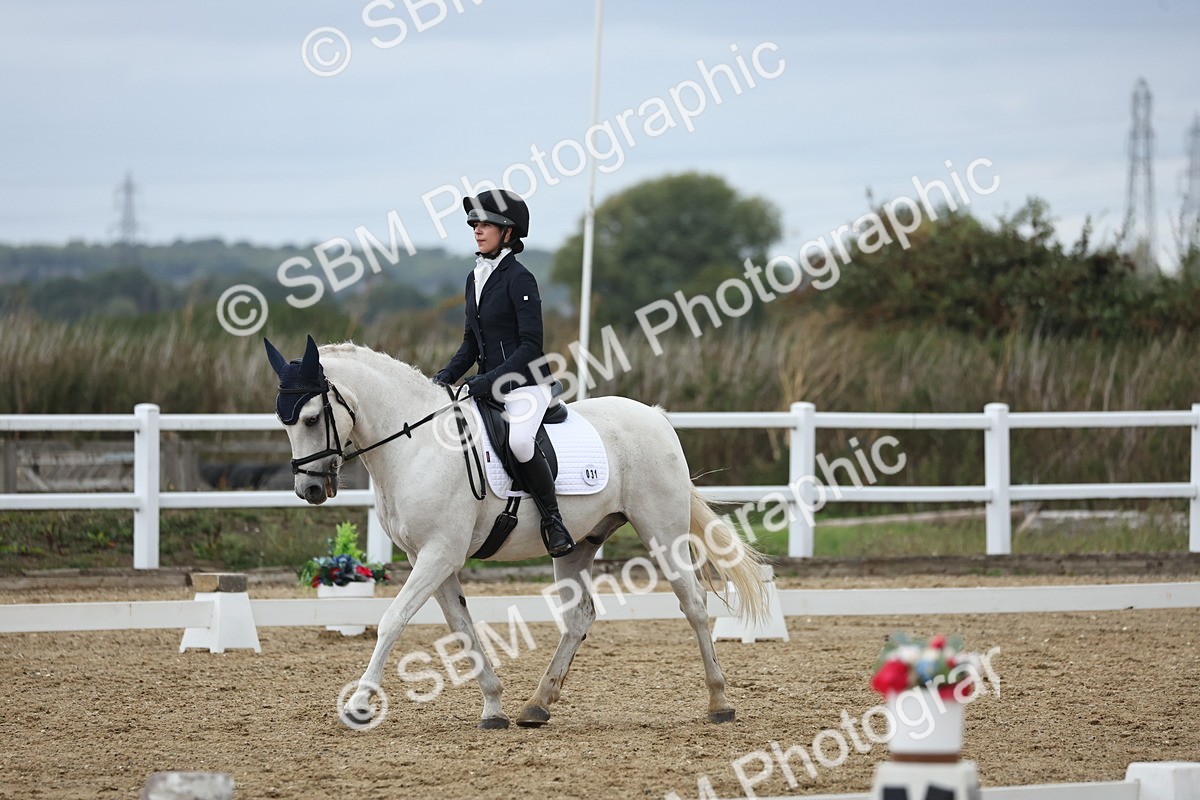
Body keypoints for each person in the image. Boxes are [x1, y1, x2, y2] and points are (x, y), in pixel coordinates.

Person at [432, 190, 575, 558]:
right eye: (474, 224)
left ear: (508, 232)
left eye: (486, 225)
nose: (477, 230)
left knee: (520, 443)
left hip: (527, 384)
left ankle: (553, 520)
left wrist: (485, 380)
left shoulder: (520, 279)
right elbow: (470, 343)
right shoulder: (475, 278)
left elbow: (531, 345)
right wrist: (444, 377)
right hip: (488, 387)